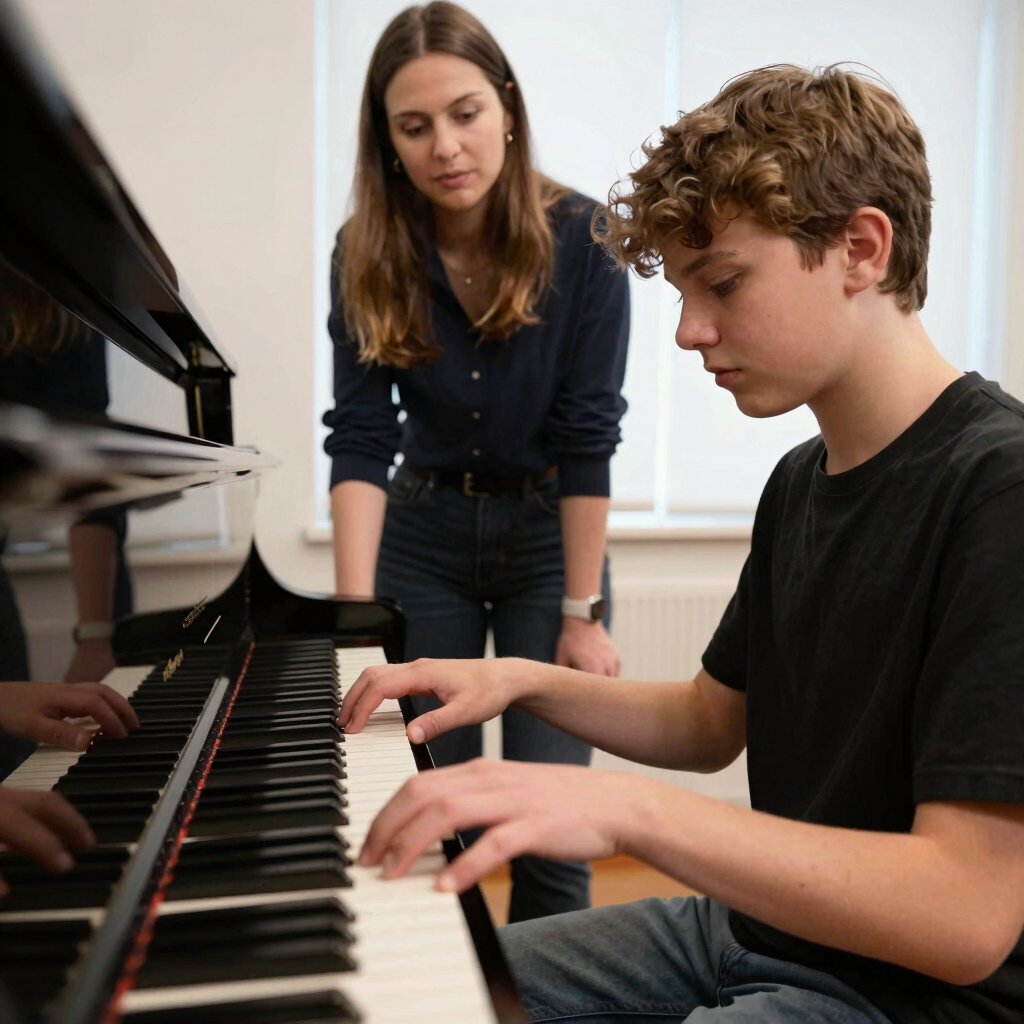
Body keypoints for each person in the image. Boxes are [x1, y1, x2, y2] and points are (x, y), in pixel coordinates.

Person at [339, 64, 1024, 1024]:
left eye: (725, 284)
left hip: (901, 995)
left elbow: (967, 914)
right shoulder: (800, 479)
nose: (690, 331)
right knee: (415, 986)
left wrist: (628, 813)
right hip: (748, 930)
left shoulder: (999, 487)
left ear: (862, 248)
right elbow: (711, 722)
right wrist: (521, 681)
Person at [322, 2, 629, 922]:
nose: (445, 146)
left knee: (545, 825)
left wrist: (581, 613)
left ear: (505, 106)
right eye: (413, 127)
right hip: (425, 538)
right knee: (429, 813)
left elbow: (588, 434)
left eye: (463, 114)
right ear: (388, 140)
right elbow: (362, 438)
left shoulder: (586, 240)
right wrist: (352, 618)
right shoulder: (366, 253)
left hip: (548, 543)